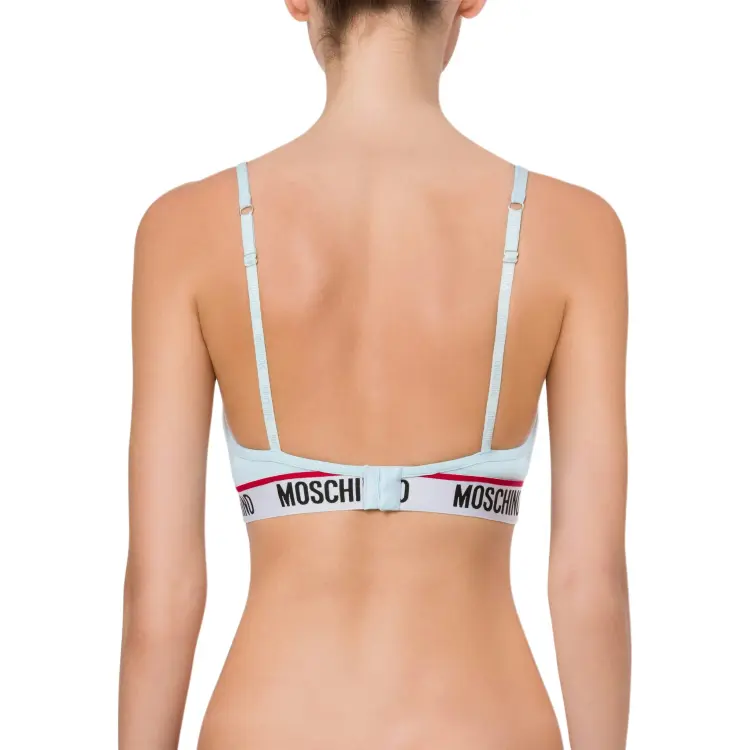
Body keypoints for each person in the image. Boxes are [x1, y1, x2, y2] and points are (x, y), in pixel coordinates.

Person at [119, 1, 631, 748]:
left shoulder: (186, 231)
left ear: (298, 0)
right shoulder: (575, 232)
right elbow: (589, 583)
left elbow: (161, 592)